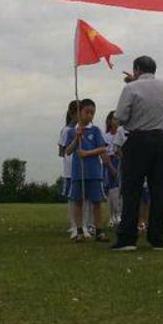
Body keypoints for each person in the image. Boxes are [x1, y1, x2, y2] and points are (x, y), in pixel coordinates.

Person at [111, 55, 163, 251]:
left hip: (138, 140)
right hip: (162, 140)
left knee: (132, 190)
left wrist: (132, 84)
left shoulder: (130, 88)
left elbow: (120, 116)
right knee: (159, 190)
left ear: (137, 69)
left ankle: (128, 238)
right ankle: (158, 238)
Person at [66, 98, 110, 242]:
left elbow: (103, 147)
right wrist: (76, 139)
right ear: (79, 113)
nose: (89, 115)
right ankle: (79, 230)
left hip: (94, 172)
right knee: (78, 202)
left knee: (96, 202)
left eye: (92, 113)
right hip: (78, 173)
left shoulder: (95, 130)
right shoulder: (72, 131)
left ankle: (99, 231)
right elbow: (68, 150)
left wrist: (87, 153)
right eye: (87, 112)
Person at [59, 101, 80, 237]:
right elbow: (61, 151)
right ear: (73, 113)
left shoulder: (86, 129)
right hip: (70, 169)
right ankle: (74, 225)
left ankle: (85, 224)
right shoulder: (66, 130)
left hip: (83, 168)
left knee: (84, 198)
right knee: (72, 198)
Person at [104, 112, 123, 227]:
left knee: (120, 190)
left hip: (119, 161)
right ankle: (112, 215)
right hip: (109, 162)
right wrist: (111, 167)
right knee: (111, 191)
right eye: (114, 119)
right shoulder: (106, 136)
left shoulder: (121, 134)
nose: (116, 122)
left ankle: (119, 214)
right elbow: (105, 154)